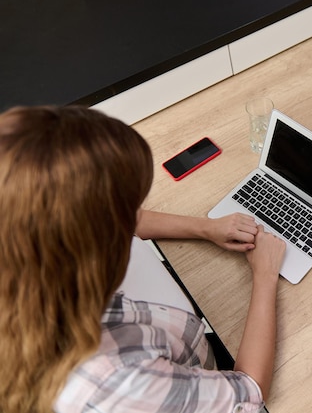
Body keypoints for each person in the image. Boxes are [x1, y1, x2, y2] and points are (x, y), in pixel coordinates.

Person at [0, 105, 286, 413]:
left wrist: (206, 228)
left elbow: (125, 219)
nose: (133, 217)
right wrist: (265, 275)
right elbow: (249, 392)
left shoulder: (21, 242)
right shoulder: (116, 382)